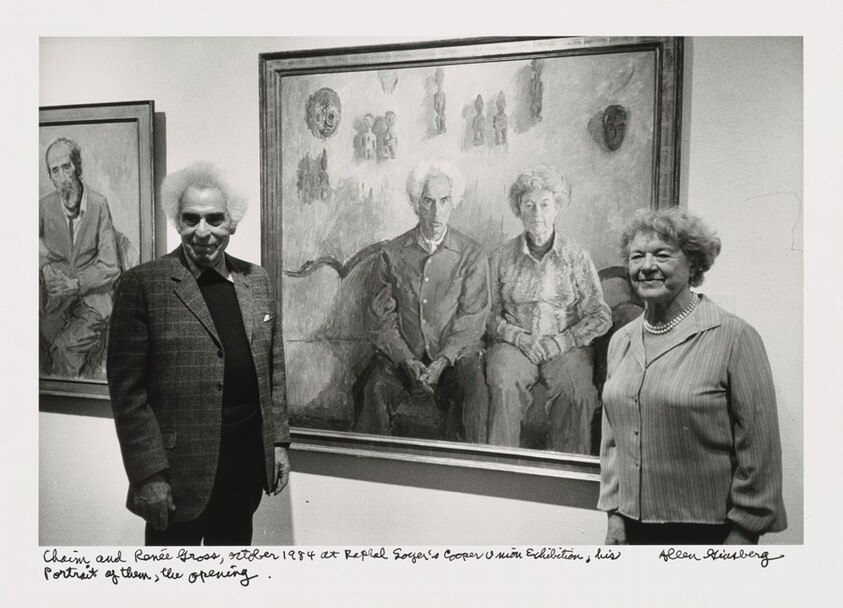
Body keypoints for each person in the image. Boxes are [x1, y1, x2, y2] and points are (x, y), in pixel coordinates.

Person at [107, 162, 291, 546]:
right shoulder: (143, 284)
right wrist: (148, 476)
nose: (203, 231)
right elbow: (128, 396)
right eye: (191, 219)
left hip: (243, 468)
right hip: (175, 478)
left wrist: (277, 444)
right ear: (177, 222)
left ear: (232, 223)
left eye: (214, 219)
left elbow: (272, 369)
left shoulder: (255, 280)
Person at [598, 208, 787, 545]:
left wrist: (744, 533)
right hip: (630, 528)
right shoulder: (621, 341)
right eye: (636, 256)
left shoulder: (734, 336)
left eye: (662, 254)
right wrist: (614, 514)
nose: (646, 266)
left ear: (694, 264)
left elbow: (760, 449)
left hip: (709, 532)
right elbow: (613, 440)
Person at [355, 160, 490, 442]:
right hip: (402, 358)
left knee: (473, 390)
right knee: (372, 388)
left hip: (454, 360)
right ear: (416, 204)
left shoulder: (472, 254)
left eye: (444, 201)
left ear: (454, 203)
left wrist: (442, 361)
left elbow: (472, 318)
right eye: (428, 201)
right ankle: (373, 475)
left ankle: (465, 476)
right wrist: (406, 359)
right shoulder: (392, 253)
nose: (436, 211)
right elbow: (380, 319)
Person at [486, 165, 611, 454]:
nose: (537, 213)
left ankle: (566, 473)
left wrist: (562, 341)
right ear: (518, 210)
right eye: (528, 205)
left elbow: (600, 315)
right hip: (516, 344)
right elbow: (487, 314)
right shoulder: (502, 257)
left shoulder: (576, 256)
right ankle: (499, 469)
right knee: (502, 381)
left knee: (577, 392)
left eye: (545, 205)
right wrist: (518, 338)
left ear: (558, 208)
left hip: (565, 345)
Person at [39, 137, 120, 378]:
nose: (63, 176)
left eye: (67, 167)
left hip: (93, 301)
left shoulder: (99, 204)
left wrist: (76, 284)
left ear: (78, 167)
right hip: (55, 300)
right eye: (55, 170)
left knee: (64, 348)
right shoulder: (44, 207)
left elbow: (110, 265)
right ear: (51, 176)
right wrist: (44, 267)